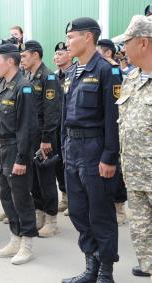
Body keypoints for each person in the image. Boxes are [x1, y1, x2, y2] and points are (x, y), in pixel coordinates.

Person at [61, 17, 122, 283]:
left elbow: (113, 117)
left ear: (88, 37)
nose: (67, 42)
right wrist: (64, 145)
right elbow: (66, 113)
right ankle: (91, 266)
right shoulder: (73, 71)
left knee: (100, 212)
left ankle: (105, 272)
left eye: (72, 37)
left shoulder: (108, 70)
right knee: (77, 210)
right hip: (73, 148)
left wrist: (109, 156)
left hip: (95, 149)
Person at [0, 43, 38, 264]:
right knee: (6, 196)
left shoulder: (23, 86)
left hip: (16, 149)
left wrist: (21, 158)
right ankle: (14, 237)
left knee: (21, 197)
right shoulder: (1, 84)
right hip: (2, 147)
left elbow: (27, 127)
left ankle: (27, 243)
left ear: (10, 61)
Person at [118, 15, 152, 279]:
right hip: (135, 172)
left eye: (126, 42)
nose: (122, 49)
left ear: (143, 43)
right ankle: (148, 264)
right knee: (140, 228)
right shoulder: (131, 78)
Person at [20, 40, 61, 237]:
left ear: (35, 55)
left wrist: (46, 138)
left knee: (45, 178)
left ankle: (51, 219)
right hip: (30, 134)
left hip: (44, 136)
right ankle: (39, 213)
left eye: (24, 56)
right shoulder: (27, 76)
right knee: (33, 178)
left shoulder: (48, 77)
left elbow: (52, 111)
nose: (21, 60)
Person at [97, 39, 128, 225]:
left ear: (107, 53)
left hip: (116, 125)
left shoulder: (114, 71)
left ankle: (119, 207)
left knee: (117, 170)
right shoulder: (99, 71)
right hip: (101, 130)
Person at [53, 42, 73, 216]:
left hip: (70, 126)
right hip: (56, 127)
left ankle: (73, 199)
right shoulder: (53, 77)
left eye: (60, 53)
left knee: (70, 163)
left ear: (70, 55)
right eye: (56, 54)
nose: (56, 57)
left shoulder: (75, 74)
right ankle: (65, 198)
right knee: (59, 164)